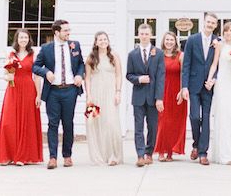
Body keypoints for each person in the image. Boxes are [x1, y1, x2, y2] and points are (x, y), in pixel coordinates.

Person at [33, 18, 85, 169]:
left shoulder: (75, 45)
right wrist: (46, 72)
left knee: (68, 124)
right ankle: (53, 157)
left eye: (69, 30)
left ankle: (67, 156)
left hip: (70, 90)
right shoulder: (46, 48)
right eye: (65, 31)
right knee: (53, 124)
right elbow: (36, 66)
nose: (68, 33)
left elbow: (81, 63)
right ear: (57, 32)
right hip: (53, 92)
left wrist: (79, 75)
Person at [0, 29, 43, 165]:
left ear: (29, 40)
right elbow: (5, 73)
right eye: (21, 37)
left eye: (26, 37)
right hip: (13, 89)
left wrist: (38, 95)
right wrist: (7, 77)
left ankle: (23, 156)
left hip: (29, 89)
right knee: (9, 121)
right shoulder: (10, 54)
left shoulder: (34, 55)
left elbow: (37, 76)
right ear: (16, 39)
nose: (23, 40)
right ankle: (9, 155)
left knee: (27, 121)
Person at [181, 11, 219, 165]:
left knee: (207, 118)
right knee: (195, 116)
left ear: (215, 25)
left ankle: (203, 152)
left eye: (213, 23)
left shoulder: (218, 41)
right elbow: (186, 64)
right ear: (203, 22)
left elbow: (218, 64)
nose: (210, 25)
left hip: (209, 86)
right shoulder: (192, 39)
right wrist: (184, 87)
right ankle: (196, 144)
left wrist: (213, 79)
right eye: (208, 22)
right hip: (193, 85)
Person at [205, 20, 231, 164]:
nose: (229, 33)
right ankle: (225, 155)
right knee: (223, 116)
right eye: (226, 30)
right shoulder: (219, 46)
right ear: (223, 33)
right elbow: (214, 64)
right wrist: (210, 79)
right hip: (222, 83)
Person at [126, 23, 165, 167]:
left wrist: (159, 98)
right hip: (138, 97)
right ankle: (140, 155)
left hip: (153, 97)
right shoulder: (132, 54)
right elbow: (128, 75)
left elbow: (161, 77)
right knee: (138, 127)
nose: (144, 36)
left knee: (153, 127)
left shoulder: (158, 53)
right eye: (141, 34)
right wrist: (138, 79)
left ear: (151, 35)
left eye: (146, 34)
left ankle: (149, 153)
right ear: (138, 35)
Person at [85, 31, 123, 166]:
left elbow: (119, 75)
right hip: (95, 94)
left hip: (110, 93)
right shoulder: (90, 58)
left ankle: (113, 155)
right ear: (96, 42)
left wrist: (118, 92)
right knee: (95, 124)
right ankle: (100, 155)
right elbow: (88, 78)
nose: (103, 42)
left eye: (105, 39)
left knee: (111, 123)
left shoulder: (114, 56)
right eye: (100, 40)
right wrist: (89, 95)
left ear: (108, 41)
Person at [154, 31, 187, 161]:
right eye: (167, 40)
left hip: (177, 92)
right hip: (162, 91)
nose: (169, 42)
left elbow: (184, 73)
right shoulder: (158, 55)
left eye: (171, 40)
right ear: (163, 41)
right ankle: (161, 150)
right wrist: (157, 95)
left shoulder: (180, 55)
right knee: (162, 120)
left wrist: (182, 90)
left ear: (175, 42)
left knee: (174, 122)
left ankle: (170, 152)